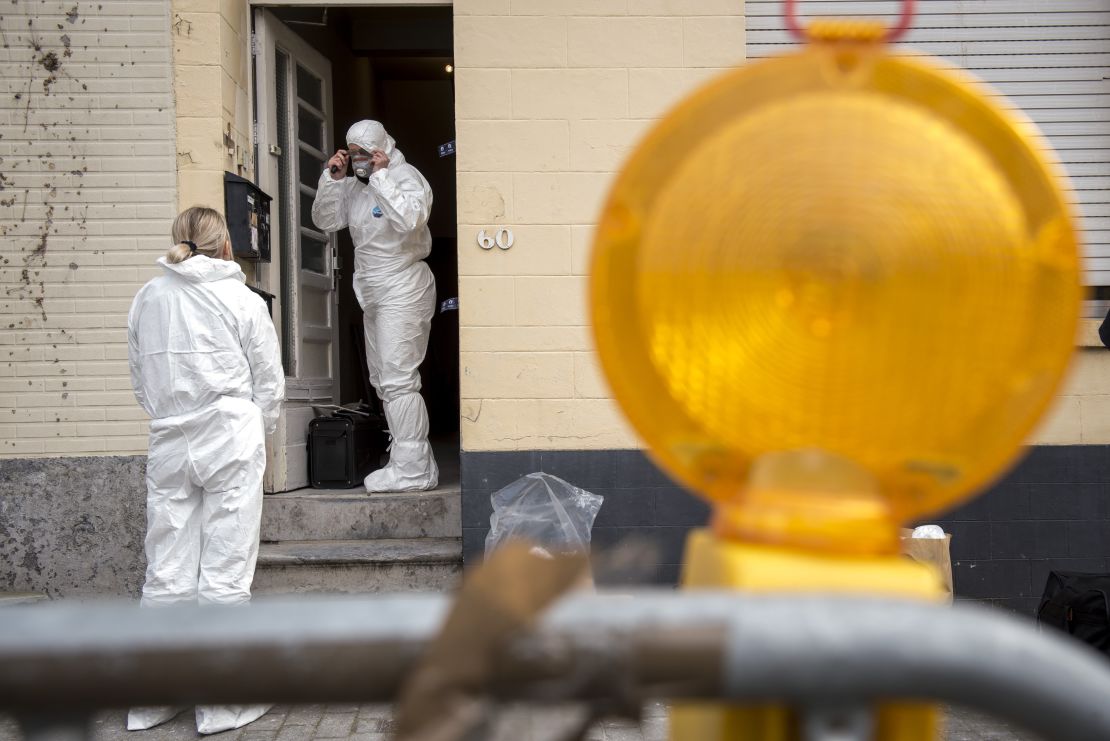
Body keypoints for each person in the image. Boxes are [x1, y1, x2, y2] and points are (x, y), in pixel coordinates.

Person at [125, 206, 285, 734]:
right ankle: (221, 704)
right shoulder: (240, 298)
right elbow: (269, 379)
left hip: (170, 436)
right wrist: (254, 428)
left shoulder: (148, 298)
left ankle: (151, 700)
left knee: (166, 570)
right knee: (225, 569)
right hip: (229, 432)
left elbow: (140, 376)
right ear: (224, 244)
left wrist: (172, 416)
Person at [312, 119, 439, 492]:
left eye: (364, 154)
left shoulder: (407, 177)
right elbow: (325, 220)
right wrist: (332, 180)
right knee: (384, 380)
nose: (359, 161)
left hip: (404, 284)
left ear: (384, 148)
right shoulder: (355, 188)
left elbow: (411, 219)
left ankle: (414, 469)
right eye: (353, 155)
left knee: (399, 378)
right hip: (372, 291)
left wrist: (382, 177)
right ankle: (408, 461)